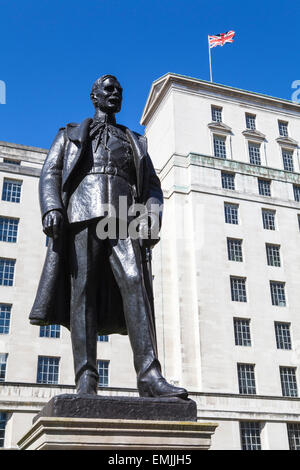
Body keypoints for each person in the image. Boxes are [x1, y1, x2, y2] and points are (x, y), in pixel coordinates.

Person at [30, 75, 188, 399]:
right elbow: (51, 173)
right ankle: (86, 378)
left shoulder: (134, 140)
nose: (114, 93)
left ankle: (149, 375)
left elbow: (153, 187)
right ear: (94, 96)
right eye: (108, 88)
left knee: (136, 285)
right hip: (82, 213)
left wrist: (152, 219)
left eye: (119, 90)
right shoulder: (71, 134)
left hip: (123, 215)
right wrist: (51, 208)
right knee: (82, 292)